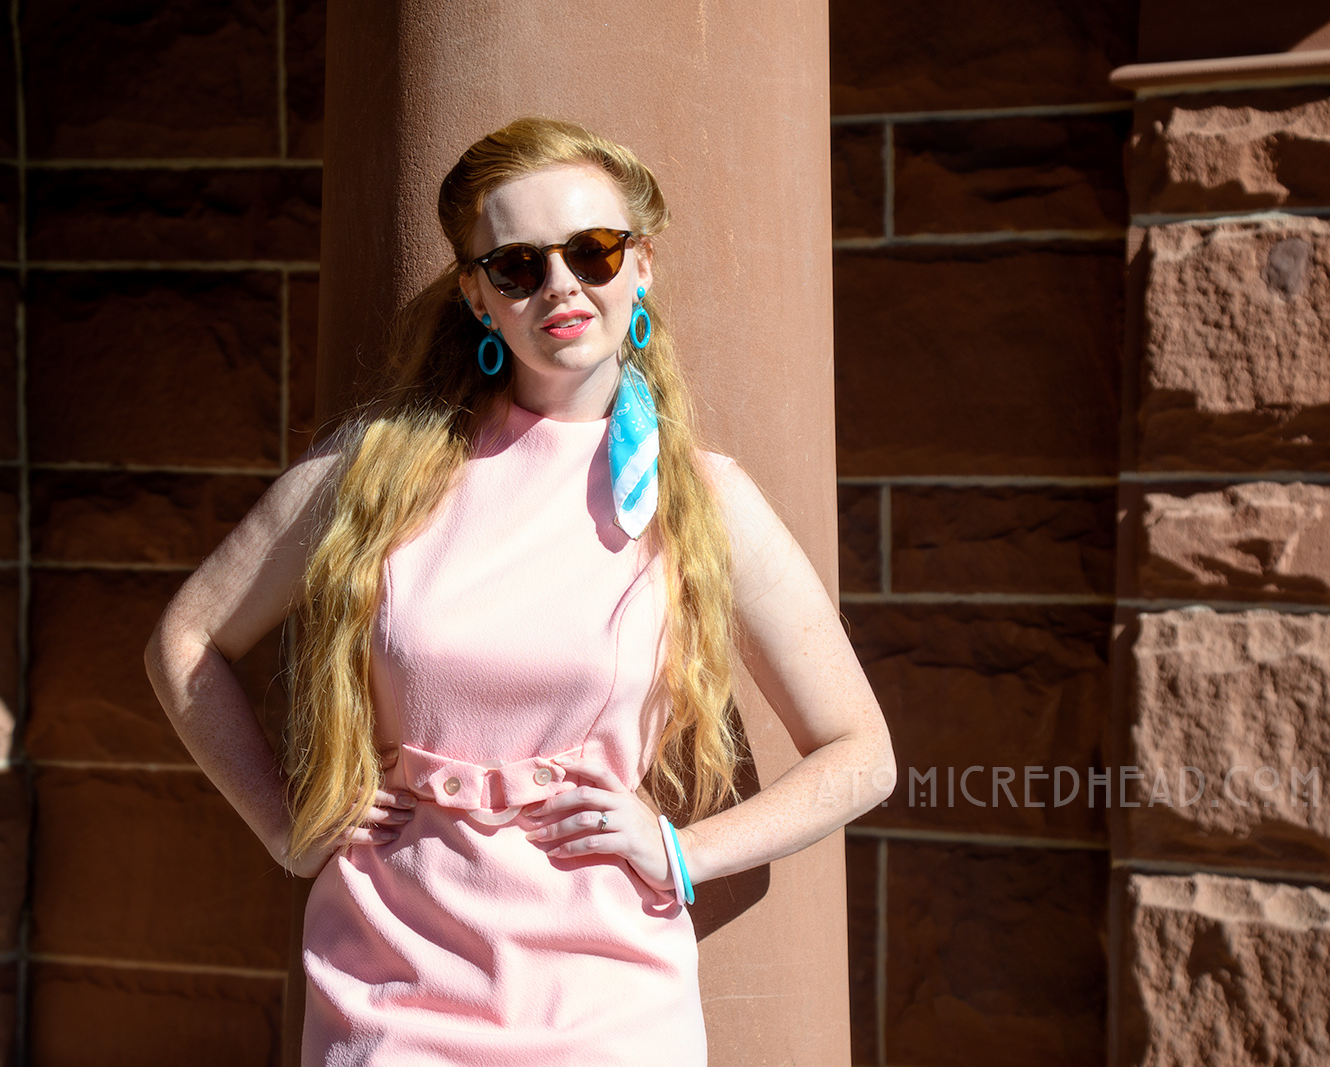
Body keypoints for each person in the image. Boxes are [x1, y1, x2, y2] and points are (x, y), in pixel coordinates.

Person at [144, 116, 895, 1065]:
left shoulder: (701, 496)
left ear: (642, 265)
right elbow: (185, 641)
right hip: (392, 986)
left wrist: (682, 851)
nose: (562, 286)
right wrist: (285, 824)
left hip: (610, 1001)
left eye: (594, 250)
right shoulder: (371, 474)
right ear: (477, 295)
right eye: (517, 266)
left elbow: (862, 753)